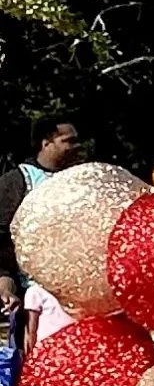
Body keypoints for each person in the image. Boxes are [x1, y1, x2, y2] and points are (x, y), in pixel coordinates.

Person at [0, 115, 81, 318]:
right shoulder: (17, 182)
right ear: (46, 143)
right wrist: (5, 281)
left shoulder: (80, 179)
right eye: (68, 141)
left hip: (78, 293)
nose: (76, 146)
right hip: (33, 297)